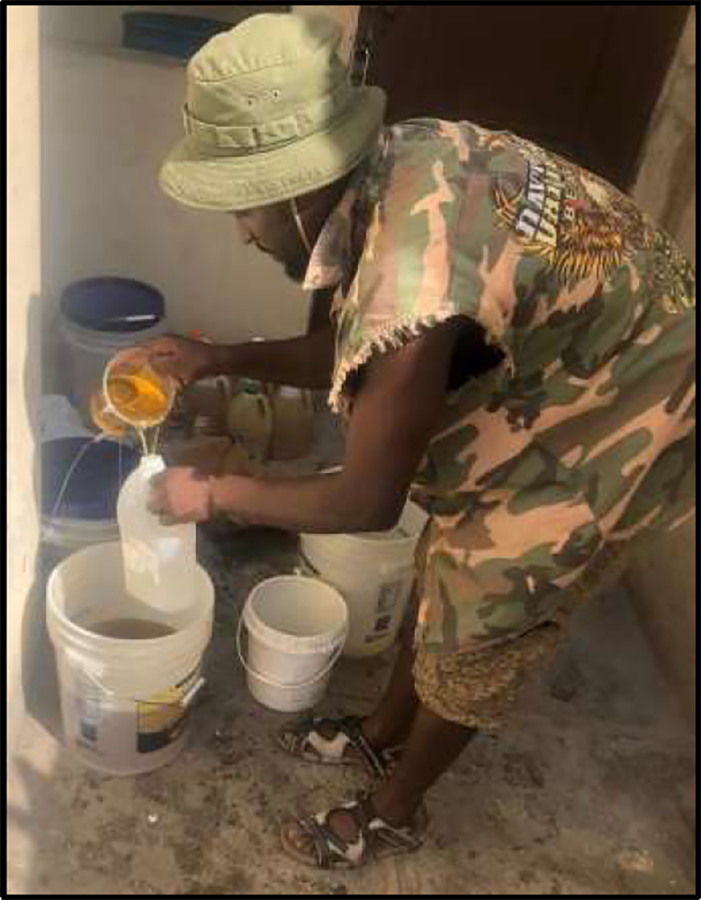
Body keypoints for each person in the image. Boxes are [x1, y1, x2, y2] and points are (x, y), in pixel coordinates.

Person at [142, 13, 696, 869]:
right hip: (582, 349)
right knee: (446, 561)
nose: (242, 233)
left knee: (480, 622)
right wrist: (216, 357)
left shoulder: (412, 281)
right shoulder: (396, 160)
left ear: (295, 190)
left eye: (245, 208)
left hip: (638, 398)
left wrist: (213, 493)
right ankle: (380, 732)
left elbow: (365, 501)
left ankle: (394, 808)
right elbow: (356, 347)